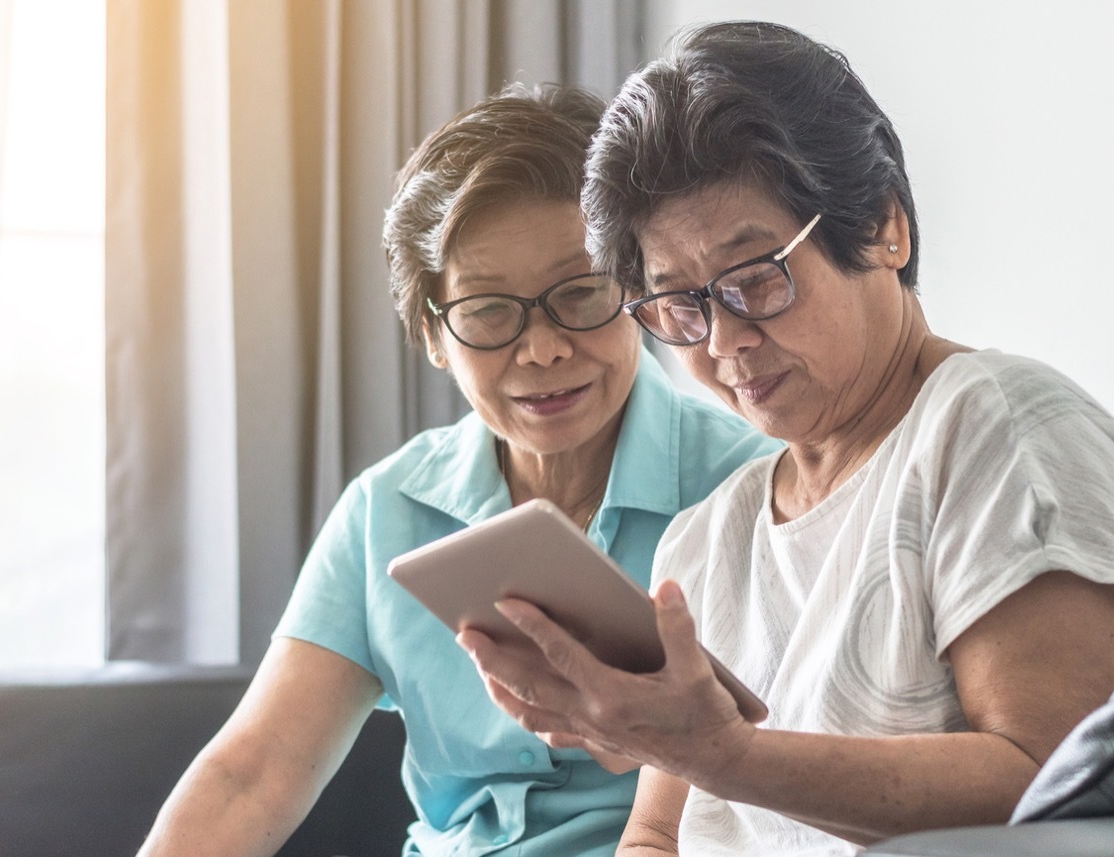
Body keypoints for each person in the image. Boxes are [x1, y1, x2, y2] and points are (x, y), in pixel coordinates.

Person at [457, 22, 1114, 856]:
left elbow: (1055, 788)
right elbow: (657, 832)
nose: (722, 343)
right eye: (681, 306)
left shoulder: (997, 429)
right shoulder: (708, 537)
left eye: (756, 278)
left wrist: (727, 755)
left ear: (884, 229)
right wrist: (679, 749)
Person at [135, 83, 781, 857]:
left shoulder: (754, 485)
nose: (542, 350)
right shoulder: (386, 510)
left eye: (580, 293)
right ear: (433, 336)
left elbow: (780, 769)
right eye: (487, 311)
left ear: (640, 292)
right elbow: (255, 772)